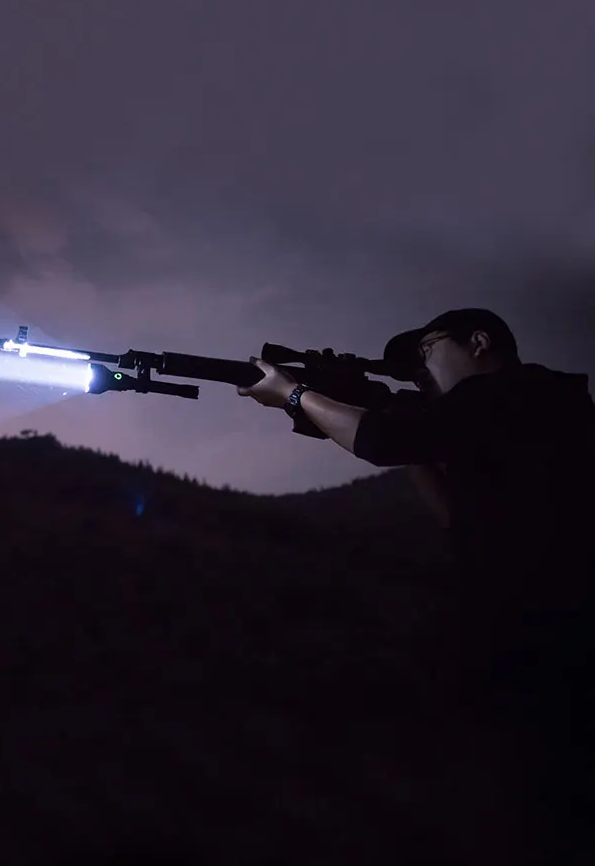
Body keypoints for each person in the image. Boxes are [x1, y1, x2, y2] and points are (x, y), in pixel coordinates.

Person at [237, 308, 595, 864]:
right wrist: (401, 434)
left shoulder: (510, 392)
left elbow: (381, 441)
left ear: (479, 342)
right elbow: (455, 514)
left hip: (552, 653)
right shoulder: (526, 412)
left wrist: (294, 393)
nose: (418, 372)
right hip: (533, 653)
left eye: (426, 352)